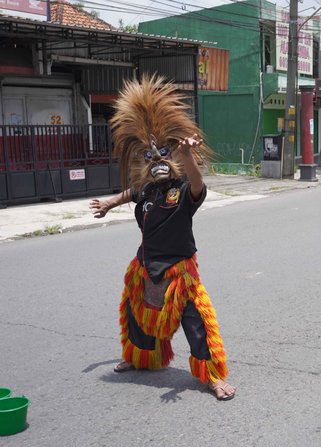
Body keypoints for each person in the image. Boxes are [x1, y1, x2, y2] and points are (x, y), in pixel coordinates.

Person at [89, 75, 236, 401]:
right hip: (145, 266)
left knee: (196, 322)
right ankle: (139, 357)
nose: (156, 161)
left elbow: (198, 184)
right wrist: (111, 203)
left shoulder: (184, 189)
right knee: (135, 312)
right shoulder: (148, 190)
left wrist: (185, 156)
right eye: (149, 156)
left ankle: (212, 376)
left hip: (179, 271)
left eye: (163, 154)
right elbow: (135, 191)